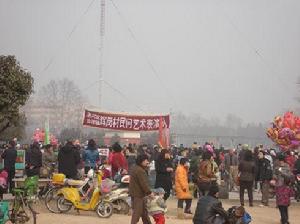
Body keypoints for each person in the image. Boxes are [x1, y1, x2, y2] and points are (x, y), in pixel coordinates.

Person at [129, 154, 152, 224]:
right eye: (145, 160)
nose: (147, 162)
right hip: (138, 195)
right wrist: (149, 192)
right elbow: (144, 183)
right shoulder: (140, 171)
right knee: (137, 213)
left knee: (144, 213)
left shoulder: (135, 168)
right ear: (141, 161)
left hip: (136, 194)